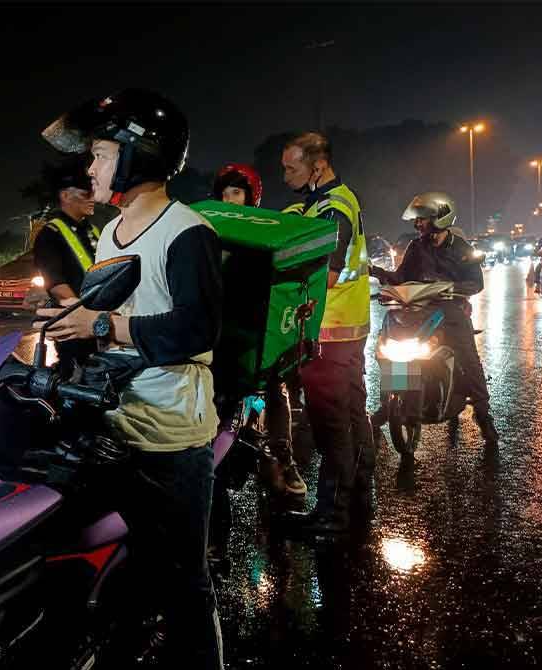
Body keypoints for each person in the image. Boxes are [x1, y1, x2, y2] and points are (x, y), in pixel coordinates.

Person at [37, 89, 224, 670]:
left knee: (185, 579)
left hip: (173, 435)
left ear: (137, 154)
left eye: (99, 154)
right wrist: (70, 326)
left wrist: (104, 325)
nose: (89, 168)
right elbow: (104, 312)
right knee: (128, 559)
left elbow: (198, 328)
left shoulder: (186, 231)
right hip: (118, 420)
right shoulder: (109, 232)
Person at [280, 132, 376, 534]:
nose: (285, 175)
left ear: (317, 166)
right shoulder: (325, 203)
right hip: (347, 327)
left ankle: (331, 514)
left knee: (331, 423)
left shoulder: (333, 209)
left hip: (330, 331)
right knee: (353, 414)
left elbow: (328, 275)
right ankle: (360, 496)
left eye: (291, 168)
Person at [370, 192, 499, 446]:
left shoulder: (461, 248)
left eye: (423, 219)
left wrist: (453, 288)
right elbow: (401, 277)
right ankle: (388, 404)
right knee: (395, 347)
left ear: (440, 217)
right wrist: (376, 272)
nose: (417, 224)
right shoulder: (416, 247)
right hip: (419, 309)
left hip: (452, 312)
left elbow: (476, 283)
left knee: (469, 359)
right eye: (417, 219)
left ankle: (483, 414)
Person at [210, 162, 306, 497]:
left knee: (276, 389)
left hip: (256, 332)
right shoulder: (209, 235)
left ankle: (285, 459)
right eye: (224, 194)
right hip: (219, 333)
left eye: (236, 193)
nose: (229, 200)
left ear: (251, 197)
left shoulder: (266, 237)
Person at [32, 159, 100, 377]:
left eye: (93, 192)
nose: (93, 198)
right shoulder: (50, 234)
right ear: (65, 196)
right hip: (75, 327)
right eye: (86, 193)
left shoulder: (93, 230)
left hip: (101, 322)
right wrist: (85, 316)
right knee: (75, 379)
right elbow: (56, 285)